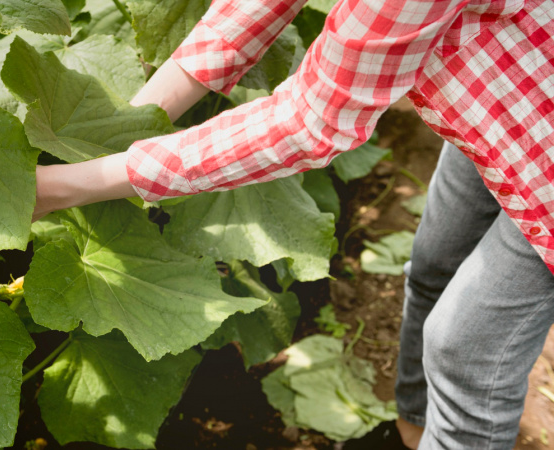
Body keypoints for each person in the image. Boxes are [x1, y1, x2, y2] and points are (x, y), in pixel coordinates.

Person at [33, 0, 554, 447]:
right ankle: (413, 432)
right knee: (435, 264)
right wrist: (127, 127)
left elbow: (310, 122)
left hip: (540, 134)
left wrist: (61, 186)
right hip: (503, 94)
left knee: (465, 351)